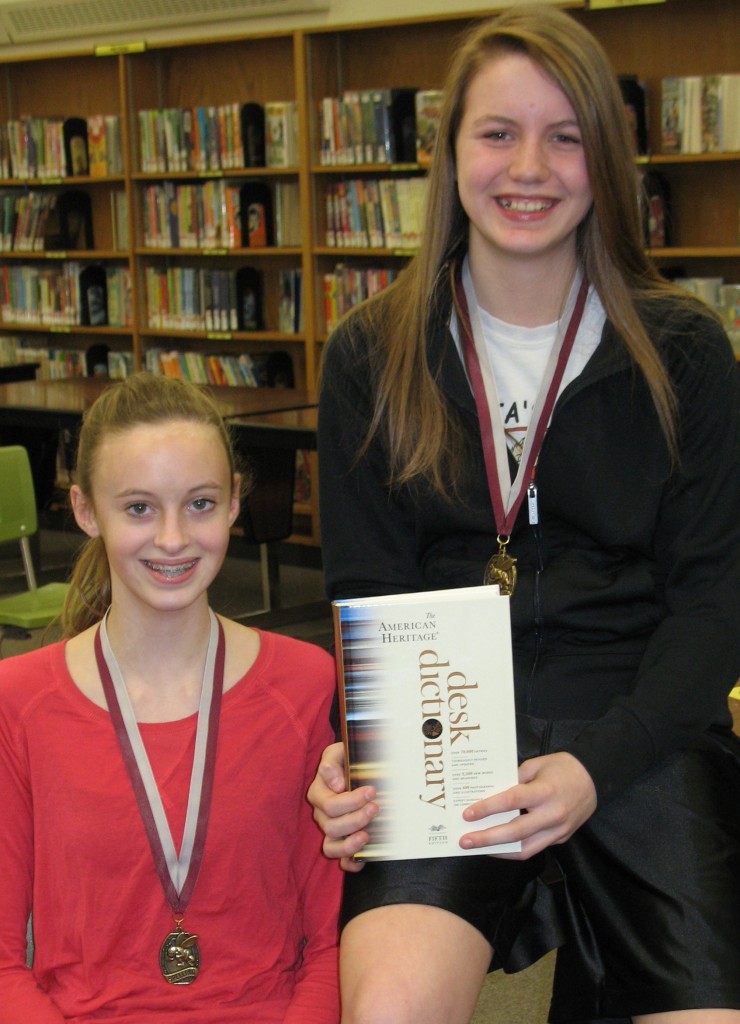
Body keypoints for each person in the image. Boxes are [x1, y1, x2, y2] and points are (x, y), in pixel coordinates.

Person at [308, 6, 740, 1024]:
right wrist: (358, 750)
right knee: (387, 1010)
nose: (528, 166)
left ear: (606, 157)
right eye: (497, 132)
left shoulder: (681, 350)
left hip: (639, 731)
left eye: (564, 135)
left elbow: (714, 602)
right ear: (448, 151)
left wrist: (601, 763)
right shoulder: (371, 351)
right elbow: (366, 590)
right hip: (444, 739)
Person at [0, 373, 342, 1023]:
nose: (173, 539)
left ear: (236, 501)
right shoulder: (19, 703)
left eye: (200, 503)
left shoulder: (302, 682)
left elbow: (327, 945)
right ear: (83, 510)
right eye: (138, 508)